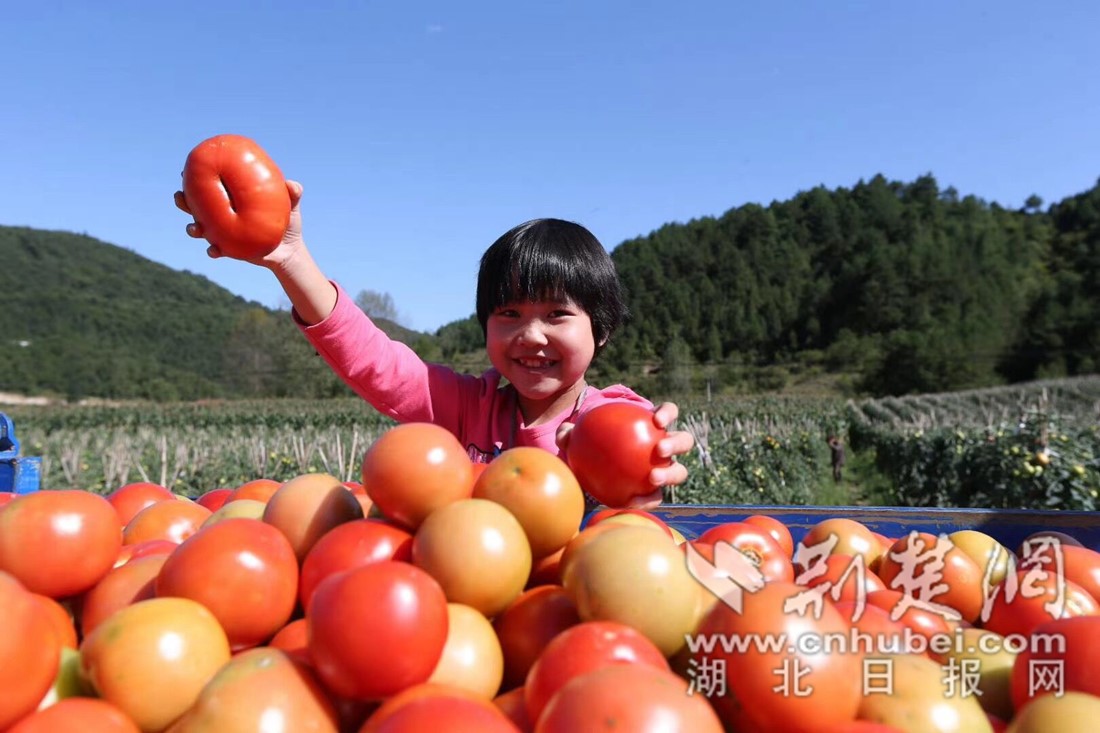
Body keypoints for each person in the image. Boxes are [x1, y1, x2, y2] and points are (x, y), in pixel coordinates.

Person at [174, 180, 695, 508]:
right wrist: (290, 260)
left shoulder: (606, 418)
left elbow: (631, 435)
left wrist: (643, 454)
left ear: (600, 330)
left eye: (557, 315)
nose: (531, 335)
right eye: (508, 314)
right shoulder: (468, 408)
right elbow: (373, 361)